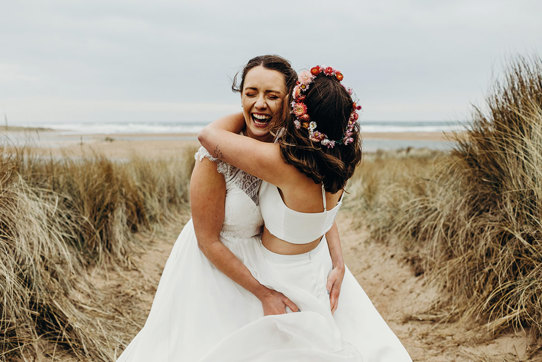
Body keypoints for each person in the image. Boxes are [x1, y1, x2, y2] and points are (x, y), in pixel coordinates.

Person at [117, 55, 347, 361]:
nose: (260, 103)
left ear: (291, 102)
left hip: (266, 267)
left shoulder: (290, 147)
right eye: (250, 93)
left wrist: (337, 260)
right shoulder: (215, 155)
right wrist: (263, 292)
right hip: (217, 269)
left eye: (272, 96)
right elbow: (207, 240)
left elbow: (313, 203)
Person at [198, 65, 412, 361]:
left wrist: (248, 106)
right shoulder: (337, 161)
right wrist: (339, 262)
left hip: (280, 273)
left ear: (297, 112)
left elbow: (209, 136)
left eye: (281, 97)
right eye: (251, 93)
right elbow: (324, 219)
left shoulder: (283, 162)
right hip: (318, 267)